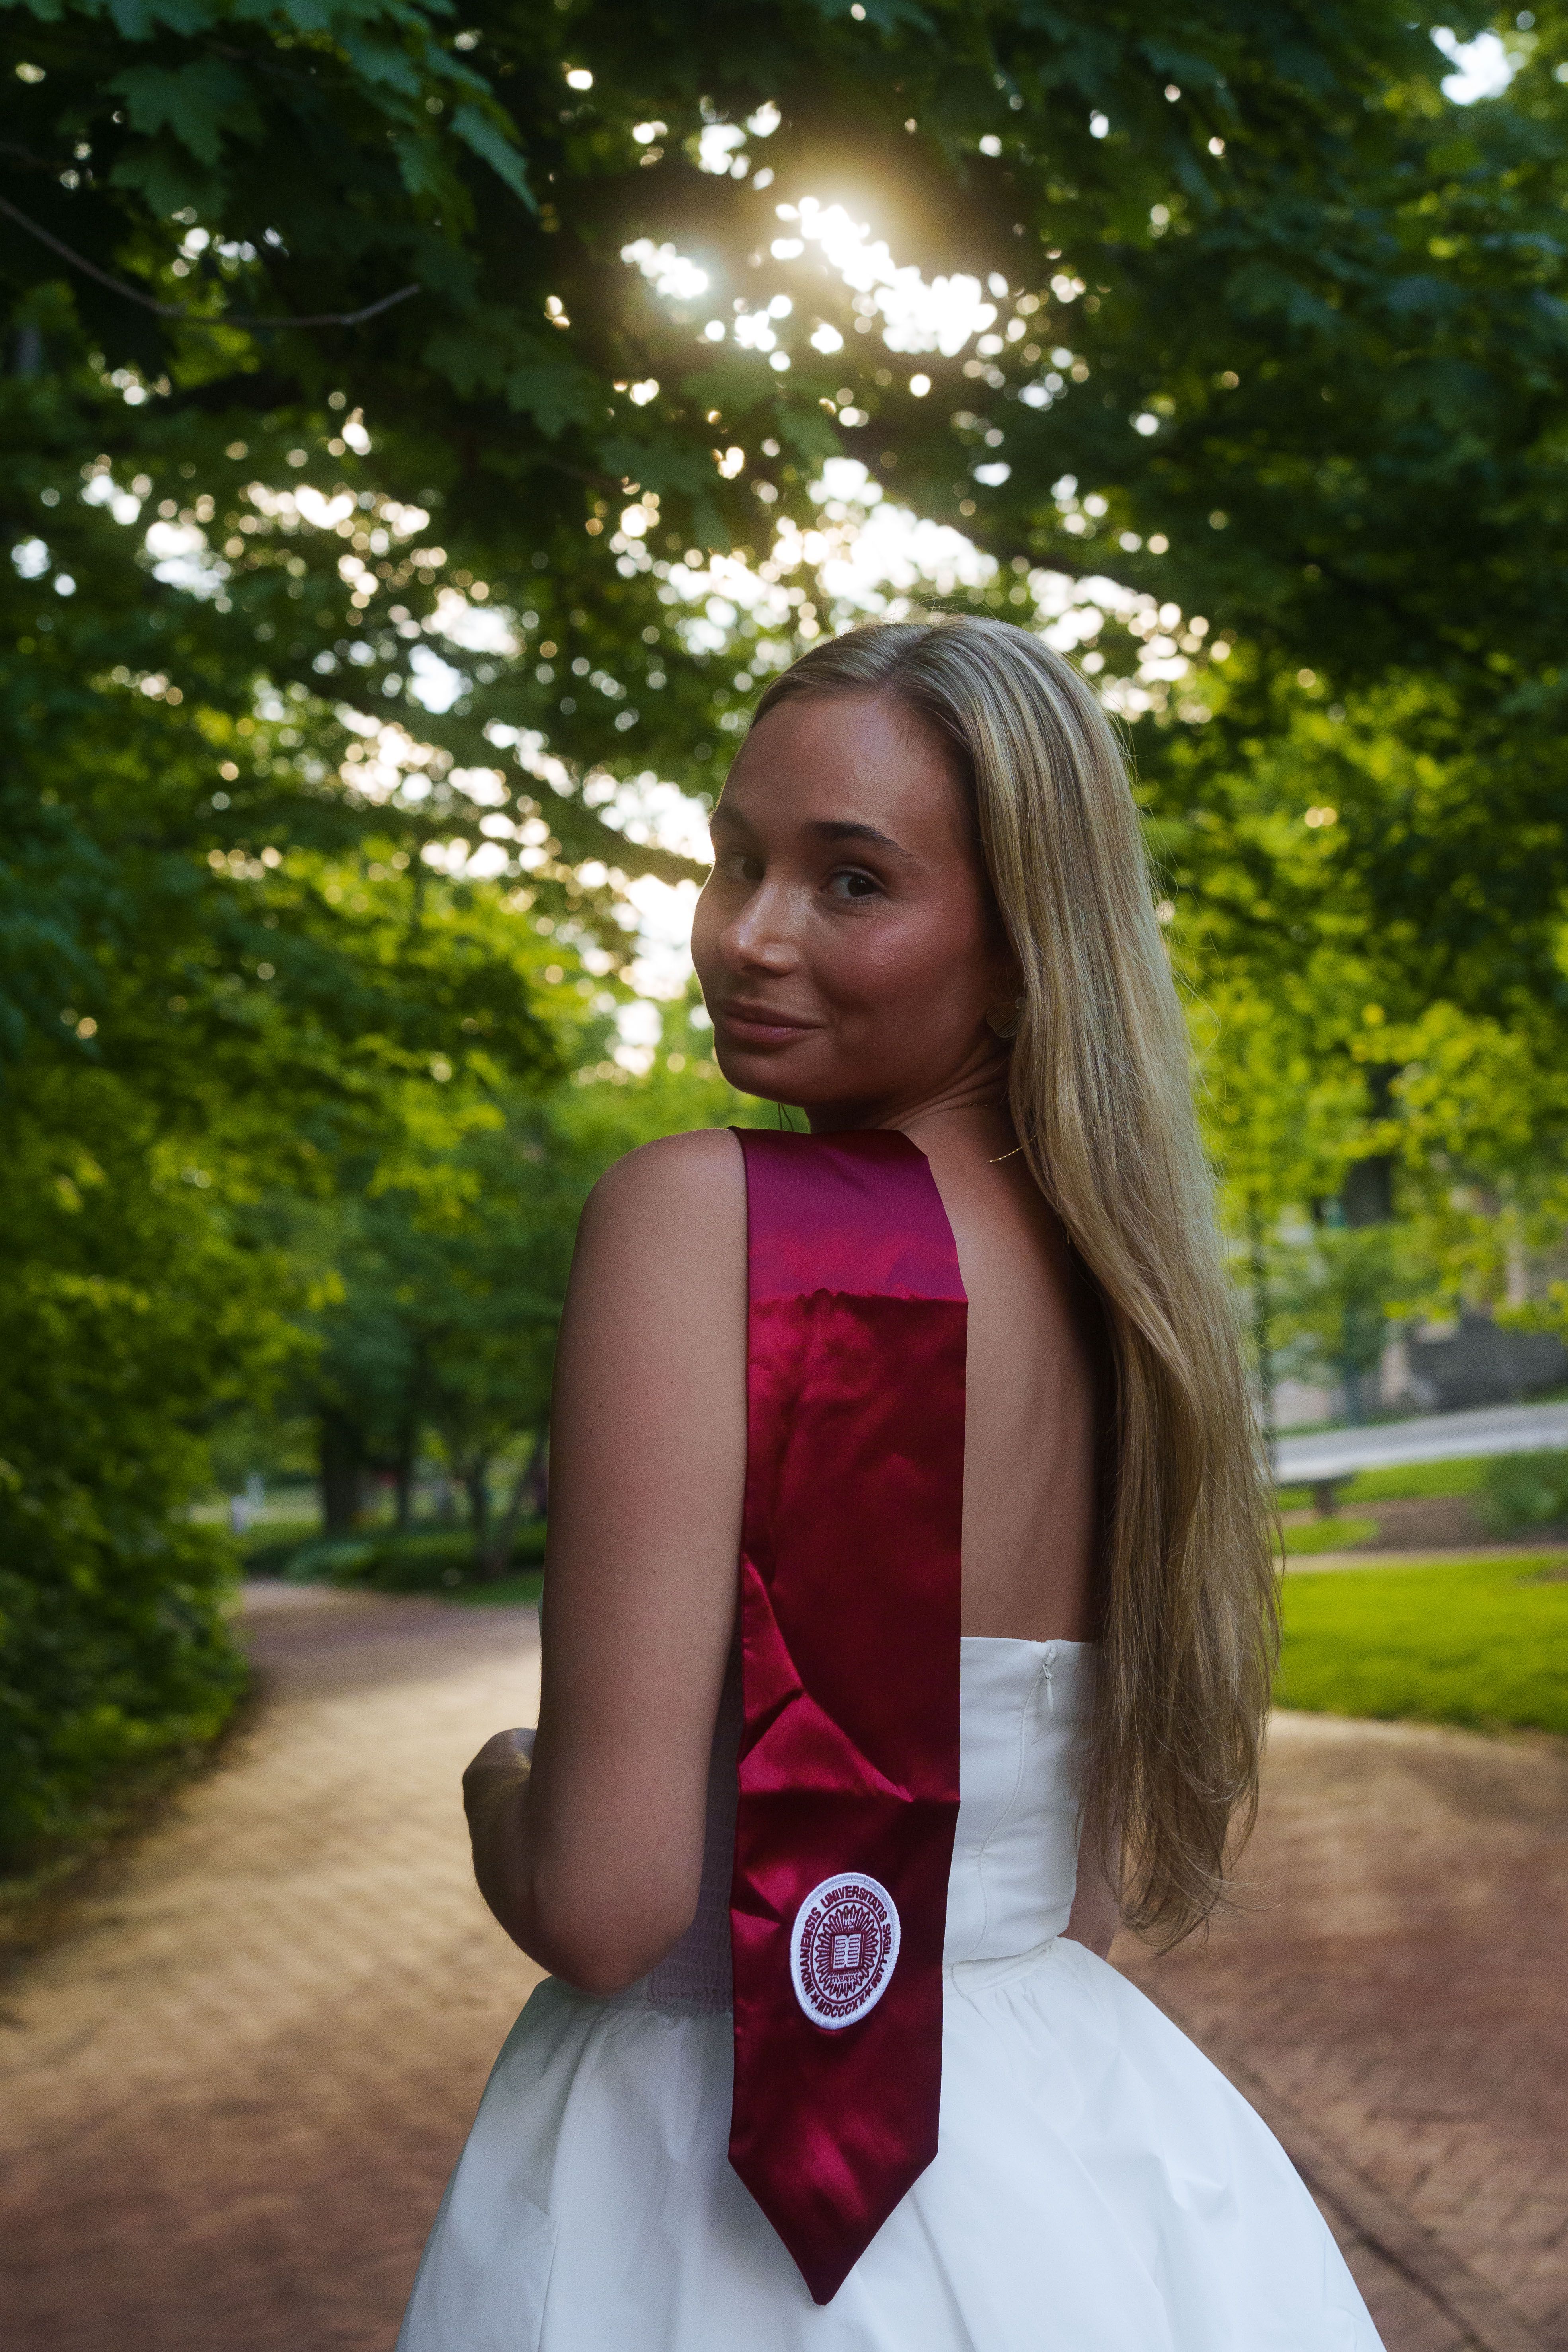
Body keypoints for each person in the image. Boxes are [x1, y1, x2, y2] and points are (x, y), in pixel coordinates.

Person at [396, 616, 1382, 2350]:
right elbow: (1071, 1892)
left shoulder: (706, 1221)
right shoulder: (1127, 1297)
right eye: (735, 858)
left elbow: (608, 1905)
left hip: (686, 2170)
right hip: (1077, 2151)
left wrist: (500, 1778)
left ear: (1020, 947)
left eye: (851, 881)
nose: (746, 935)